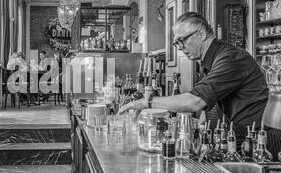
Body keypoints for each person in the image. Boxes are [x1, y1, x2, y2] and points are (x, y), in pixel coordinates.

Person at [118, 12, 281, 157]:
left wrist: (147, 102)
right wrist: (204, 119)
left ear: (201, 32)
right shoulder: (210, 60)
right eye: (177, 44)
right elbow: (212, 100)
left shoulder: (231, 58)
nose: (180, 48)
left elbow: (195, 101)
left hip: (257, 142)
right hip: (236, 137)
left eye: (182, 40)